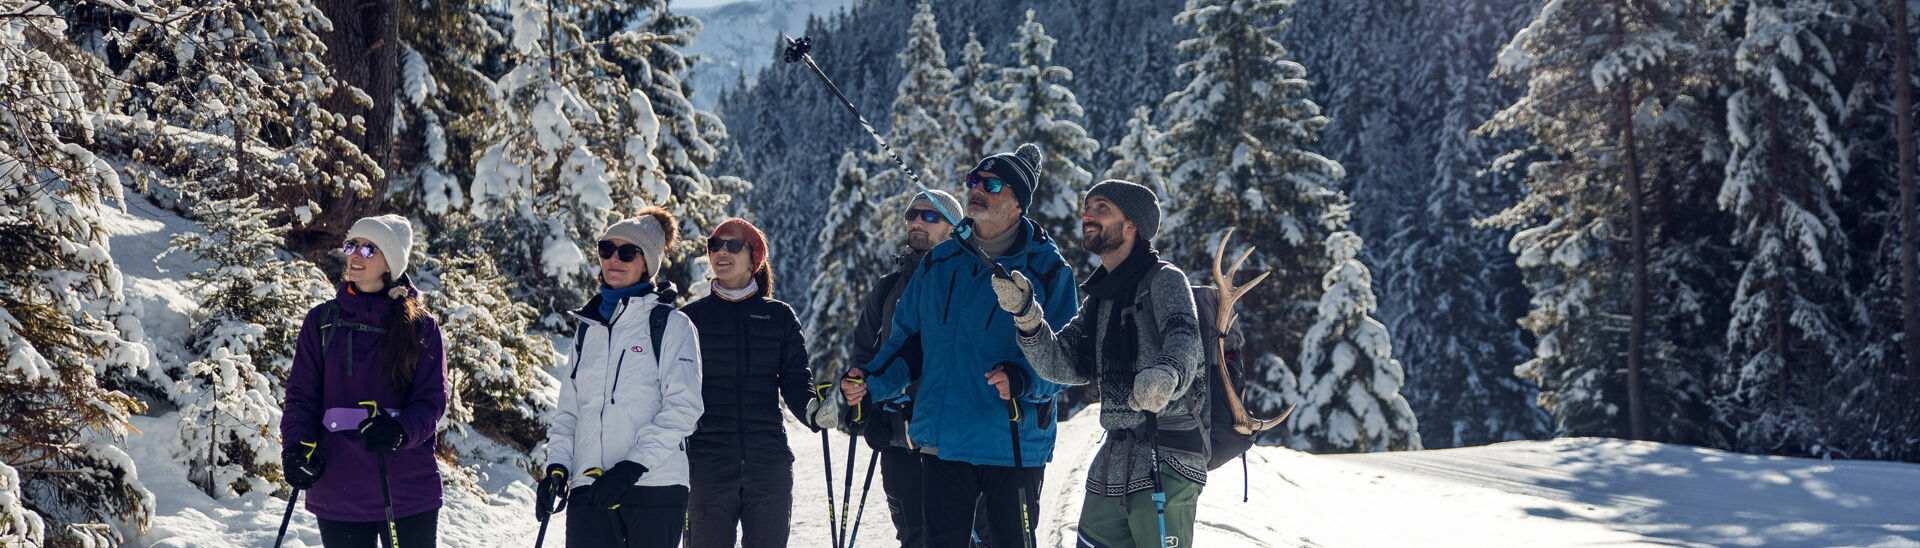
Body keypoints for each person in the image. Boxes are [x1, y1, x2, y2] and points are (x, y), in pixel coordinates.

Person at [840, 144, 1079, 548]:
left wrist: (1022, 380)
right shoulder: (940, 262)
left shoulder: (1049, 271)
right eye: (974, 180)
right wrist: (870, 382)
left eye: (992, 184)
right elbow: (907, 345)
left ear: (1018, 203)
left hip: (1011, 443)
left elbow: (1068, 362)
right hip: (943, 444)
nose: (977, 189)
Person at [996, 180, 1206, 548]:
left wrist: (1167, 373)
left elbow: (1185, 337)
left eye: (1102, 207)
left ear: (1132, 225)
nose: (1087, 214)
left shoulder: (1166, 280)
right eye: (1087, 205)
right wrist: (1027, 315)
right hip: (1113, 462)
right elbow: (1062, 365)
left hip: (1167, 458)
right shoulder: (1100, 298)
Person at [535, 207, 704, 548]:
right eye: (606, 249)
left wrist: (631, 468)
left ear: (648, 263)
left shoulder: (671, 326)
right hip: (590, 489)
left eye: (627, 252)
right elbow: (569, 412)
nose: (614, 258)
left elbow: (683, 409)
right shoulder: (588, 331)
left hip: (655, 488)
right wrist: (557, 467)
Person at [281, 214, 449, 547]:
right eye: (352, 245)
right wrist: (296, 449)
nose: (356, 255)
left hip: (405, 487)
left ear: (391, 263)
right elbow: (301, 396)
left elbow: (431, 400)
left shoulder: (421, 326)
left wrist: (401, 431)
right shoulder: (322, 321)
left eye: (369, 249)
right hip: (339, 487)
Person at [679, 218, 817, 547]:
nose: (721, 252)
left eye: (733, 245)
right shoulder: (689, 319)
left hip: (767, 463)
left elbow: (797, 377)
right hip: (707, 465)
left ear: (754, 257)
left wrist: (813, 409)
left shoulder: (778, 316)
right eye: (715, 245)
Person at [844, 190, 960, 548]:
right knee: (912, 537)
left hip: (954, 439)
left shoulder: (965, 283)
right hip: (896, 437)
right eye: (912, 215)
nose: (916, 223)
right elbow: (864, 357)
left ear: (953, 228)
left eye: (930, 217)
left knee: (961, 536)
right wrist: (865, 412)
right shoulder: (888, 287)